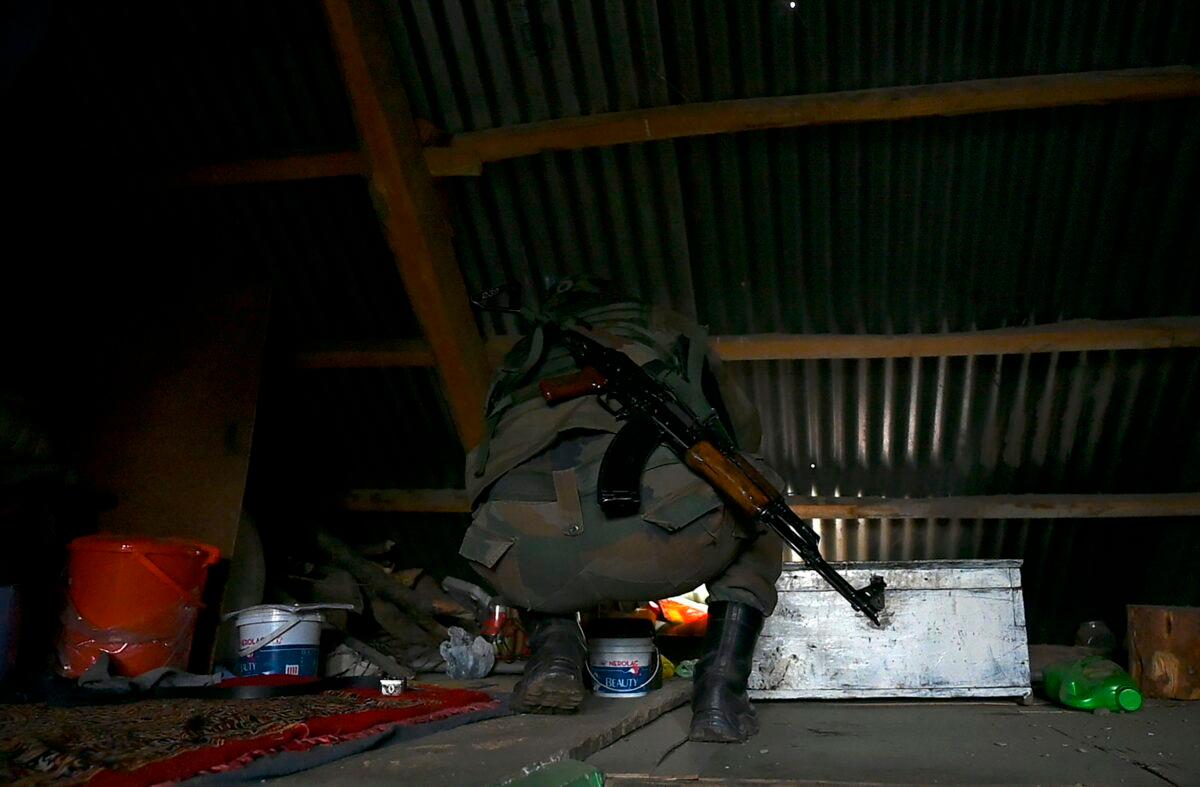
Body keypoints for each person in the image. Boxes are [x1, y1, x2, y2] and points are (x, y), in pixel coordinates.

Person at [460, 280, 782, 742]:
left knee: (520, 504)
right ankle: (720, 695)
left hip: (517, 560)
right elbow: (739, 433)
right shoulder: (673, 335)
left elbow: (483, 469)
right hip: (651, 544)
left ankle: (554, 655)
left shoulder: (519, 362)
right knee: (762, 500)